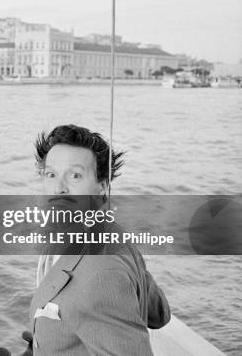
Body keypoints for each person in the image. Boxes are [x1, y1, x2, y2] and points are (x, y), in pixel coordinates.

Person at [28, 124, 170, 355]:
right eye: (51, 174)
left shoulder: (102, 276)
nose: (58, 188)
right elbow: (159, 313)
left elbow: (101, 289)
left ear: (102, 186)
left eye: (75, 175)